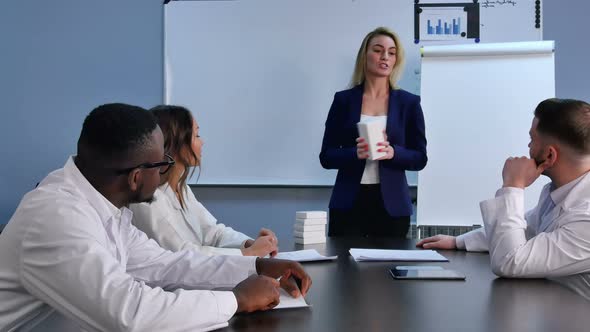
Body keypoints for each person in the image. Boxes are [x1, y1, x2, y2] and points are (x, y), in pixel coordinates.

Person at [0, 103, 311, 331]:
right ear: (136, 177)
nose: (168, 168)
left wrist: (255, 265)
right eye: (162, 163)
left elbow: (166, 264)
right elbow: (130, 314)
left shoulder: (102, 206)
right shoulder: (56, 219)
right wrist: (236, 300)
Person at [417, 98, 590, 280]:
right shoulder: (561, 192)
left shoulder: (586, 217)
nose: (529, 146)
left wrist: (513, 185)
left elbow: (511, 262)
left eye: (532, 139)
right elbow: (527, 229)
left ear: (549, 155)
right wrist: (458, 241)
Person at [320, 27, 427, 238]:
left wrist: (393, 152)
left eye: (392, 52)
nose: (385, 57)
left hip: (392, 206)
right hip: (348, 203)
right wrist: (354, 153)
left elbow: (420, 158)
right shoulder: (343, 101)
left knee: (387, 269)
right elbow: (326, 156)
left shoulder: (409, 103)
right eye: (378, 50)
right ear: (365, 55)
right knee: (345, 268)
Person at [130, 105, 278, 257]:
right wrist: (247, 253)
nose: (202, 142)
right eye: (196, 135)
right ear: (176, 142)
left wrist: (250, 244)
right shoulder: (147, 199)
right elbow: (182, 254)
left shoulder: (182, 188)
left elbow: (213, 232)